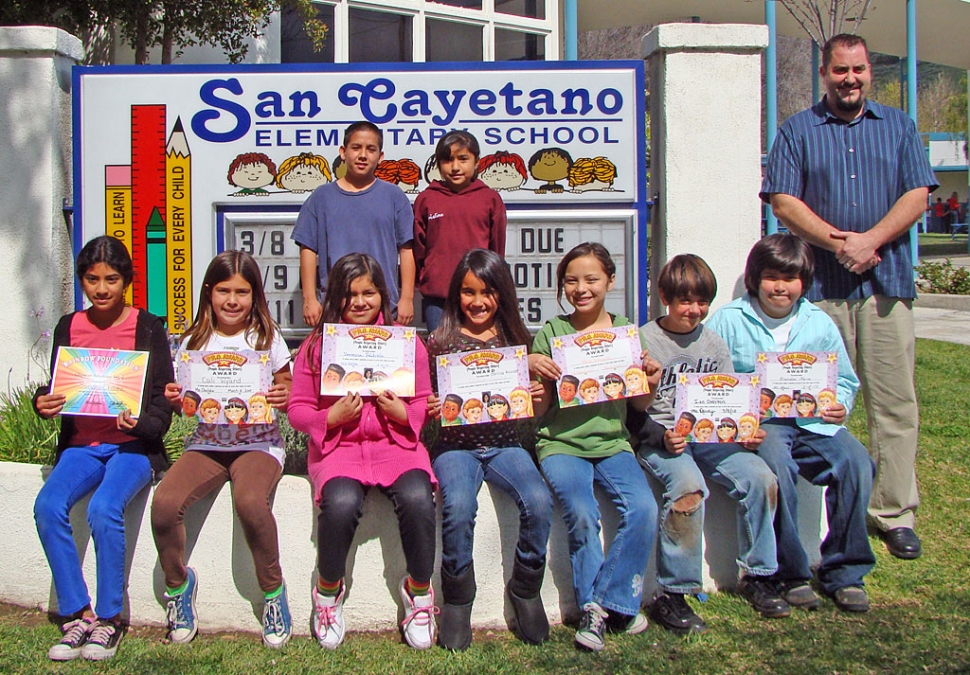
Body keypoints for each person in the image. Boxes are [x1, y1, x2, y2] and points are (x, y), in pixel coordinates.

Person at [761, 33, 938, 560]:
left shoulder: (901, 127)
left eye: (858, 70)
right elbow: (784, 202)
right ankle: (816, 508)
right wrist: (841, 243)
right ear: (825, 73)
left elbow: (919, 193)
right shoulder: (797, 131)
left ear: (869, 72)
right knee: (811, 401)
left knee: (894, 403)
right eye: (840, 70)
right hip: (821, 290)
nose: (850, 79)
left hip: (886, 284)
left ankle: (893, 512)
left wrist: (871, 241)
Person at [707, 234, 876, 613]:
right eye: (771, 277)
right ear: (754, 278)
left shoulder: (819, 323)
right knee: (776, 468)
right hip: (764, 426)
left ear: (804, 281)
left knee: (856, 464)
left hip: (815, 423)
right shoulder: (730, 320)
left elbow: (845, 380)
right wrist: (740, 419)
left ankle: (845, 570)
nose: (780, 287)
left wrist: (840, 406)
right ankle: (791, 572)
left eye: (791, 278)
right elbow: (714, 379)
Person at [33, 235, 174, 661]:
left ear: (127, 280)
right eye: (91, 279)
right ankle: (78, 613)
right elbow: (58, 389)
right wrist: (44, 402)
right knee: (47, 505)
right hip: (81, 445)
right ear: (81, 281)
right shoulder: (68, 326)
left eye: (111, 279)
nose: (101, 288)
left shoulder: (148, 327)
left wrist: (141, 424)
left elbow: (161, 410)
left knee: (103, 508)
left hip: (132, 447)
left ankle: (111, 619)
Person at [287, 253, 437, 651]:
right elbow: (297, 408)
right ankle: (328, 593)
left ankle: (419, 593)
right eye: (350, 294)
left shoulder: (407, 345)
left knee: (419, 497)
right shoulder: (318, 346)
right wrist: (329, 418)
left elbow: (424, 398)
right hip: (340, 450)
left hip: (397, 446)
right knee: (339, 503)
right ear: (335, 297)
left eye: (368, 292)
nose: (359, 301)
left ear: (382, 294)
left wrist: (403, 413)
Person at [629, 253, 782, 633]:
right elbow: (631, 410)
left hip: (709, 438)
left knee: (761, 478)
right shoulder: (645, 340)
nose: (695, 310)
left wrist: (744, 431)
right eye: (686, 301)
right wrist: (660, 436)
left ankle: (759, 575)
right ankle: (673, 593)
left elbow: (729, 402)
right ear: (664, 296)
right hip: (663, 439)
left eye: (702, 302)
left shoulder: (714, 344)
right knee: (688, 488)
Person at [152, 250, 293, 648]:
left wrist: (283, 394)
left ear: (255, 296)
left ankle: (272, 592)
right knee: (164, 503)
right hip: (207, 442)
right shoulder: (192, 339)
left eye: (242, 292)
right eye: (224, 291)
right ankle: (179, 589)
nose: (233, 300)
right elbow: (184, 397)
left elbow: (288, 386)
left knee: (250, 501)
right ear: (208, 293)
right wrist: (176, 397)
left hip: (259, 443)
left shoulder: (267, 337)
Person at [531, 242, 660, 652]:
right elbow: (539, 411)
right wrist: (536, 374)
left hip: (613, 443)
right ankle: (601, 607)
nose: (581, 289)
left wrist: (649, 381)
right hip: (561, 444)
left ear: (610, 281)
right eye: (571, 280)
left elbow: (638, 404)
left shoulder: (625, 332)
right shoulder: (552, 333)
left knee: (643, 508)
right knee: (583, 513)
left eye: (591, 279)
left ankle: (603, 602)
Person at [425, 249, 554, 650]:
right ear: (455, 295)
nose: (478, 301)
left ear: (503, 294)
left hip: (505, 446)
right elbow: (426, 403)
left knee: (538, 499)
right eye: (468, 292)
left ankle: (526, 588)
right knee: (458, 508)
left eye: (487, 292)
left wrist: (538, 392)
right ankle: (459, 599)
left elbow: (535, 409)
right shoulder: (439, 342)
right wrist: (430, 406)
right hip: (455, 448)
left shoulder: (517, 340)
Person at [292, 121, 416, 328]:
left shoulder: (394, 196)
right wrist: (309, 299)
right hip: (334, 308)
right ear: (343, 152)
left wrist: (407, 298)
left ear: (380, 156)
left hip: (385, 309)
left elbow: (407, 250)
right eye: (356, 147)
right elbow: (307, 249)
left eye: (371, 149)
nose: (363, 155)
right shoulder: (321, 198)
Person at [413, 131, 507, 332]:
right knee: (439, 354)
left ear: (476, 162)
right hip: (437, 298)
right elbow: (419, 249)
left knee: (477, 354)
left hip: (478, 297)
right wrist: (429, 277)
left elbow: (496, 249)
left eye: (463, 159)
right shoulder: (426, 199)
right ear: (438, 164)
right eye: (448, 160)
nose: (455, 167)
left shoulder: (490, 199)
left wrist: (491, 284)